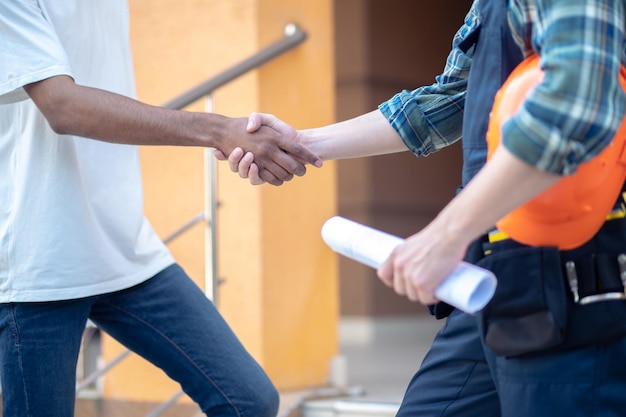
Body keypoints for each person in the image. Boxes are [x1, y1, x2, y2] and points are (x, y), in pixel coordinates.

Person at [219, 0, 626, 415]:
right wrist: (298, 145)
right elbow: (451, 98)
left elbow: (577, 105)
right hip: (496, 274)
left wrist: (446, 235)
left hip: (574, 277)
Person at [0, 2, 323, 417]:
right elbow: (62, 106)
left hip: (124, 244)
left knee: (248, 399)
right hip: (41, 259)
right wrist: (218, 130)